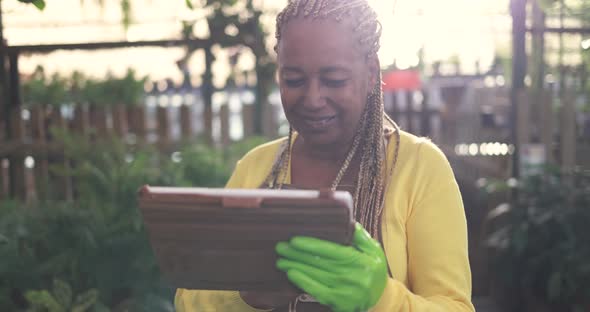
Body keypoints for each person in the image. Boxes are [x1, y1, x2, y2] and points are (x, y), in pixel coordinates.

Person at [175, 0, 474, 311]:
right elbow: (189, 298)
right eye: (294, 80)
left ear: (371, 73)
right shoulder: (257, 169)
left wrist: (382, 299)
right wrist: (249, 297)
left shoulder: (418, 167)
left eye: (334, 80)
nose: (313, 98)